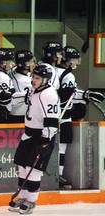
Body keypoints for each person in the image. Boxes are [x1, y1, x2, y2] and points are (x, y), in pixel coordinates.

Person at [8, 64, 60, 214]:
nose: (33, 80)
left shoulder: (48, 94)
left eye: (37, 78)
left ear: (45, 79)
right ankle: (23, 198)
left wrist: (46, 140)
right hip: (29, 135)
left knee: (34, 170)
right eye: (33, 77)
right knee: (22, 168)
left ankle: (31, 201)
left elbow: (51, 120)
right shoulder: (34, 90)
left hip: (42, 137)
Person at [55, 45, 105, 189]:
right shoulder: (67, 74)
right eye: (75, 60)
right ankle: (57, 175)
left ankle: (54, 175)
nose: (76, 63)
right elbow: (70, 94)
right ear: (68, 60)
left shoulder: (53, 71)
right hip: (62, 115)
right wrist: (85, 96)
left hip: (52, 113)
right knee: (62, 146)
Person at [8, 49, 36, 123]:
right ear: (25, 64)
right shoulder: (23, 81)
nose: (33, 63)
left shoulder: (14, 71)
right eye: (31, 61)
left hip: (17, 114)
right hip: (19, 116)